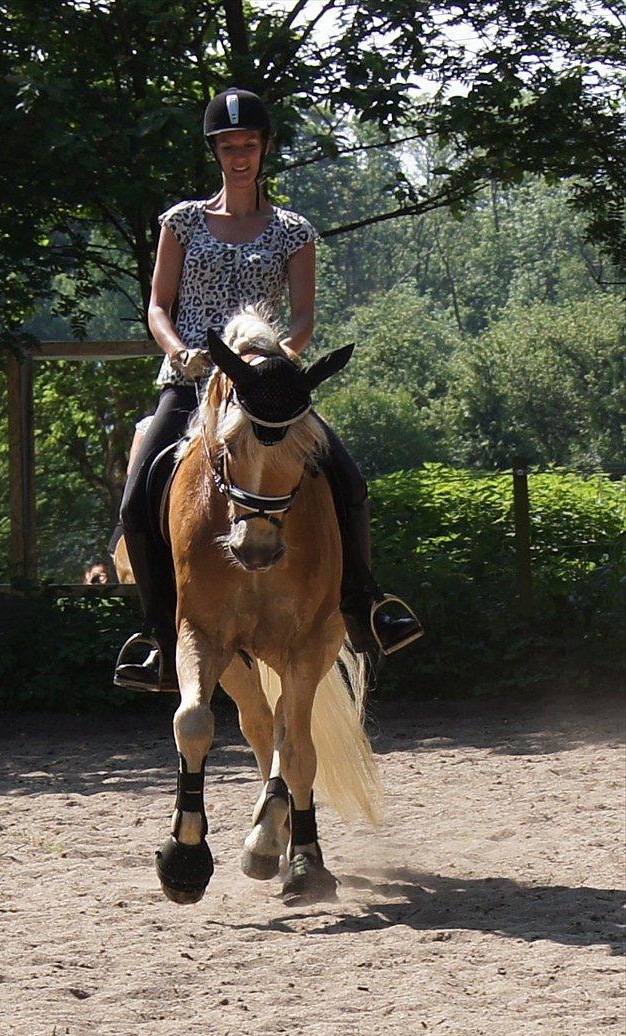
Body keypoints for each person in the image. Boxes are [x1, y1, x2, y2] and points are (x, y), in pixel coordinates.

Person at [114, 87, 423, 692]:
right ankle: (155, 634)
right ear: (216, 152)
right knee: (135, 498)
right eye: (228, 147)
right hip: (193, 382)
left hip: (267, 389)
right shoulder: (180, 221)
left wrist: (275, 361)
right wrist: (179, 351)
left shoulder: (292, 230)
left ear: (264, 149)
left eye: (248, 145)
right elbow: (157, 304)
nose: (239, 156)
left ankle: (367, 605)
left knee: (347, 478)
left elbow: (304, 317)